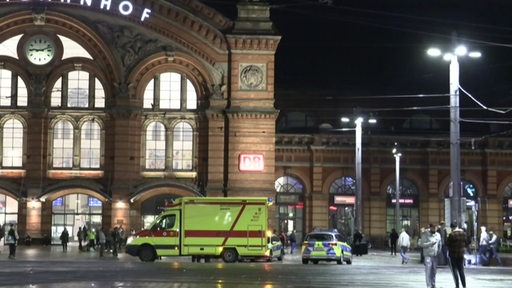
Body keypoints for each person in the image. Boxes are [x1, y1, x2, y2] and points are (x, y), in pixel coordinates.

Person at [419, 223, 441, 288]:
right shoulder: (425, 234)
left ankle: (433, 285)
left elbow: (440, 244)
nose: (435, 229)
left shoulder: (438, 235)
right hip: (428, 256)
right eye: (433, 228)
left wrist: (438, 252)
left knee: (434, 272)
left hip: (435, 256)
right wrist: (430, 244)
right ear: (430, 228)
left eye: (436, 228)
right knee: (428, 272)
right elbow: (422, 244)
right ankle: (429, 286)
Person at [447, 222, 467, 288]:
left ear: (452, 228)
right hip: (461, 254)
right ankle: (464, 285)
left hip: (453, 254)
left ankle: (457, 285)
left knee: (455, 270)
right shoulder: (463, 234)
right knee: (461, 270)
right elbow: (467, 242)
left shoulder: (451, 234)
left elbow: (447, 243)